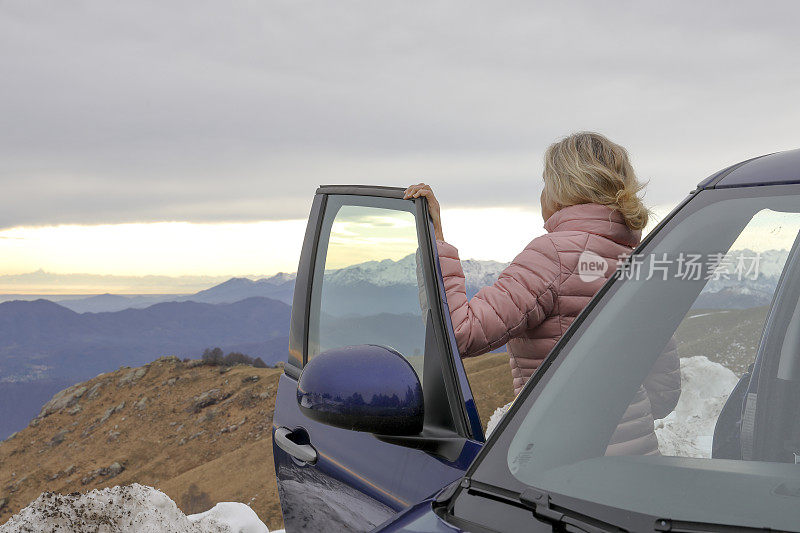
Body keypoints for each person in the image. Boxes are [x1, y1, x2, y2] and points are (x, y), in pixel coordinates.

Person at [405, 131, 680, 455]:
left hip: (562, 470)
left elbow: (457, 333)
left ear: (562, 189)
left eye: (546, 182)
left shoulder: (553, 256)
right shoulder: (643, 265)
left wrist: (434, 242)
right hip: (635, 467)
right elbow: (664, 394)